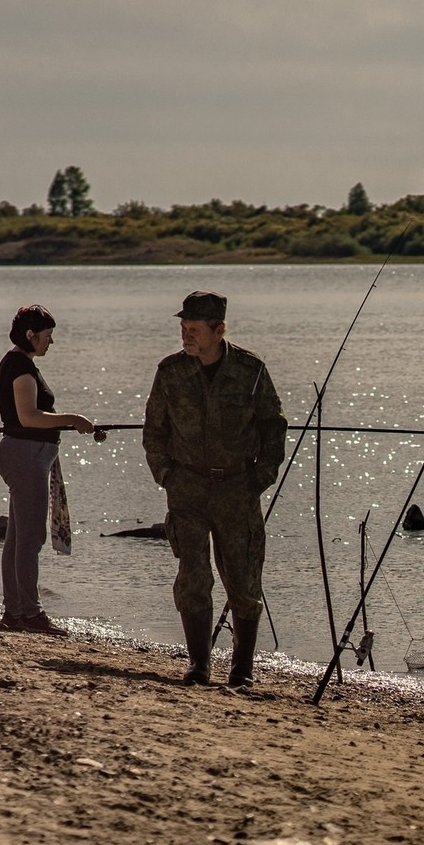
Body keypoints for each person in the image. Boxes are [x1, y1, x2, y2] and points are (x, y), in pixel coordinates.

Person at [143, 290, 287, 686]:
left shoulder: (250, 369)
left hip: (238, 488)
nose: (186, 336)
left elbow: (273, 425)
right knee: (193, 576)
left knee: (243, 580)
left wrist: (261, 476)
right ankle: (199, 665)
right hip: (186, 487)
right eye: (183, 328)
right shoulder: (170, 371)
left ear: (218, 329)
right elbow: (154, 430)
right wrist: (166, 475)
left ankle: (242, 672)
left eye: (194, 329)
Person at [0, 304, 92, 635]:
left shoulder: (20, 362)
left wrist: (64, 422)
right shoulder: (20, 366)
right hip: (24, 456)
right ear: (30, 336)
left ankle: (14, 612)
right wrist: (72, 419)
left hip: (26, 455)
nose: (51, 343)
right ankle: (30, 615)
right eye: (47, 337)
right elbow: (28, 417)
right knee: (29, 538)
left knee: (18, 538)